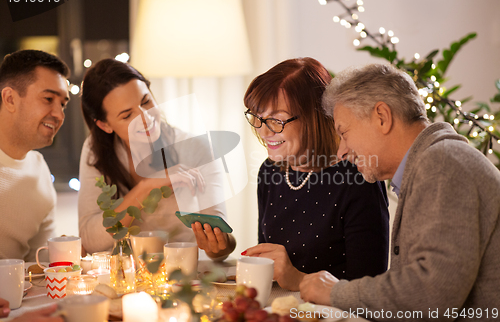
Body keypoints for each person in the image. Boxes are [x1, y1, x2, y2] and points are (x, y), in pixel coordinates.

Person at [301, 63, 500, 321]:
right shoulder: (433, 163)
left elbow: (430, 296)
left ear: (382, 116)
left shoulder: (443, 165)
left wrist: (336, 292)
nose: (341, 152)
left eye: (344, 133)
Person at [241, 57, 390, 291]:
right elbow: (269, 264)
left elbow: (369, 289)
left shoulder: (357, 177)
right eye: (258, 117)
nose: (264, 130)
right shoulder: (270, 172)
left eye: (277, 119)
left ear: (314, 118)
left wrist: (297, 278)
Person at [78, 59, 235, 260]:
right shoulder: (95, 151)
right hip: (127, 278)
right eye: (127, 115)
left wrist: (218, 245)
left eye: (146, 102)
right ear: (104, 125)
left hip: (183, 275)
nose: (146, 118)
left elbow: (222, 246)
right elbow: (90, 240)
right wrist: (146, 189)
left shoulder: (195, 147)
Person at [0, 50, 70, 261]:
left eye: (63, 104)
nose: (59, 115)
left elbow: (40, 262)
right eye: (48, 98)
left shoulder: (39, 169)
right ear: (10, 99)